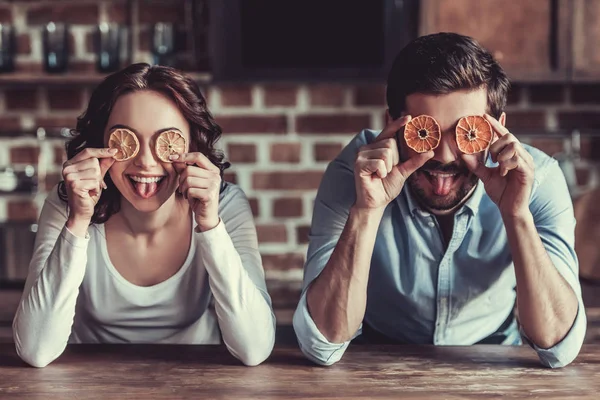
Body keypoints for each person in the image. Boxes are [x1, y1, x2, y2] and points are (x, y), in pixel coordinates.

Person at [293, 33, 586, 368]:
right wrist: (367, 210)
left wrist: (516, 215)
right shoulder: (353, 174)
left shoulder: (539, 178)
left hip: (492, 358)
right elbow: (321, 345)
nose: (445, 156)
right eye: (424, 132)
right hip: (377, 356)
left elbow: (559, 347)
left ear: (498, 129)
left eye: (467, 132)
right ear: (390, 124)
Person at [13, 63, 275, 367]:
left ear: (193, 144)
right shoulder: (67, 203)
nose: (146, 162)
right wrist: (78, 221)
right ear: (101, 144)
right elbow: (35, 350)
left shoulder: (225, 205)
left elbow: (254, 349)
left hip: (197, 382)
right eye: (125, 140)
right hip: (89, 383)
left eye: (167, 142)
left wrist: (209, 225)